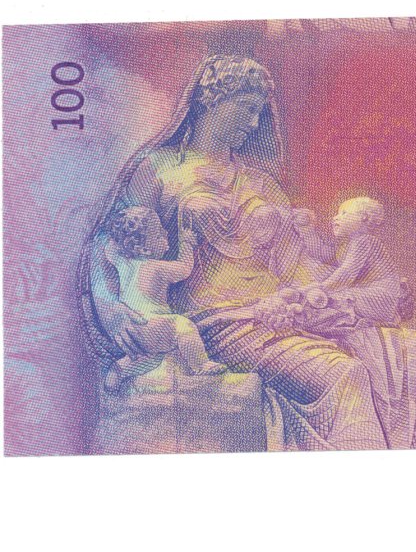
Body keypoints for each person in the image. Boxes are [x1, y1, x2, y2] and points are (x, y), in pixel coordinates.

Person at [80, 54, 394, 451]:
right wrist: (110, 308)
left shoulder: (260, 181)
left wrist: (346, 287)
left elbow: (299, 263)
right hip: (212, 327)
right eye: (246, 109)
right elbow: (108, 245)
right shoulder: (158, 169)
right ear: (212, 100)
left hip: (276, 317)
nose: (254, 122)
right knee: (344, 375)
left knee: (389, 357)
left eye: (259, 112)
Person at [101, 206, 222, 391]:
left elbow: (109, 249)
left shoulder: (123, 263)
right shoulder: (156, 268)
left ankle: (119, 370)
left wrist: (123, 233)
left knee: (149, 358)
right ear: (144, 249)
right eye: (158, 234)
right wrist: (186, 244)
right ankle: (201, 365)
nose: (165, 233)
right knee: (183, 325)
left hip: (133, 329)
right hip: (152, 324)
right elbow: (184, 269)